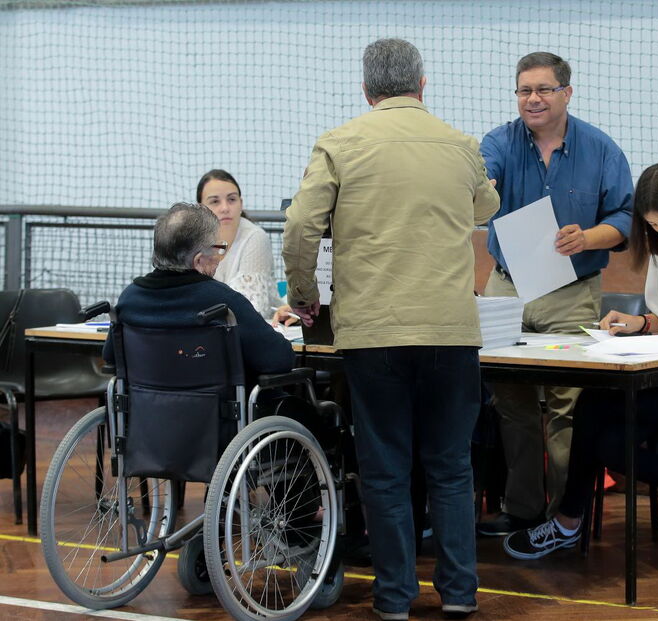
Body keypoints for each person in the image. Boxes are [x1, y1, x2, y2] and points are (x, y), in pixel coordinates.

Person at [282, 38, 499, 621]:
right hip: (451, 334)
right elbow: (486, 208)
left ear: (366, 91)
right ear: (422, 86)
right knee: (452, 468)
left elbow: (301, 226)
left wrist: (305, 296)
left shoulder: (338, 144)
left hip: (373, 333)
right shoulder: (461, 145)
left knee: (384, 470)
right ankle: (459, 595)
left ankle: (395, 599)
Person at [502, 161, 658, 561]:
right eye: (653, 226)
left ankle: (568, 522)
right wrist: (637, 322)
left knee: (602, 428)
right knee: (599, 420)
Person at [477, 52, 634, 536]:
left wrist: (588, 238)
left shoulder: (602, 150)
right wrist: (481, 186)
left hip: (572, 292)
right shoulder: (498, 142)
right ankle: (523, 510)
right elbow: (480, 186)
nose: (533, 99)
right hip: (508, 288)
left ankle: (568, 518)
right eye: (524, 90)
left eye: (544, 89)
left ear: (567, 92)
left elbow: (624, 219)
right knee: (512, 402)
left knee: (568, 405)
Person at [103, 201, 294, 384]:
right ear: (199, 260)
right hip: (219, 414)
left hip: (146, 413)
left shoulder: (130, 298)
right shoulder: (223, 304)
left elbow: (111, 356)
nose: (220, 258)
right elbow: (279, 358)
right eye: (219, 249)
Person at [196, 169, 295, 324]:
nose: (225, 208)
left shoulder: (255, 238)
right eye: (215, 201)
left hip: (254, 332)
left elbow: (250, 309)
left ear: (241, 203)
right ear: (200, 208)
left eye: (232, 199)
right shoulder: (193, 241)